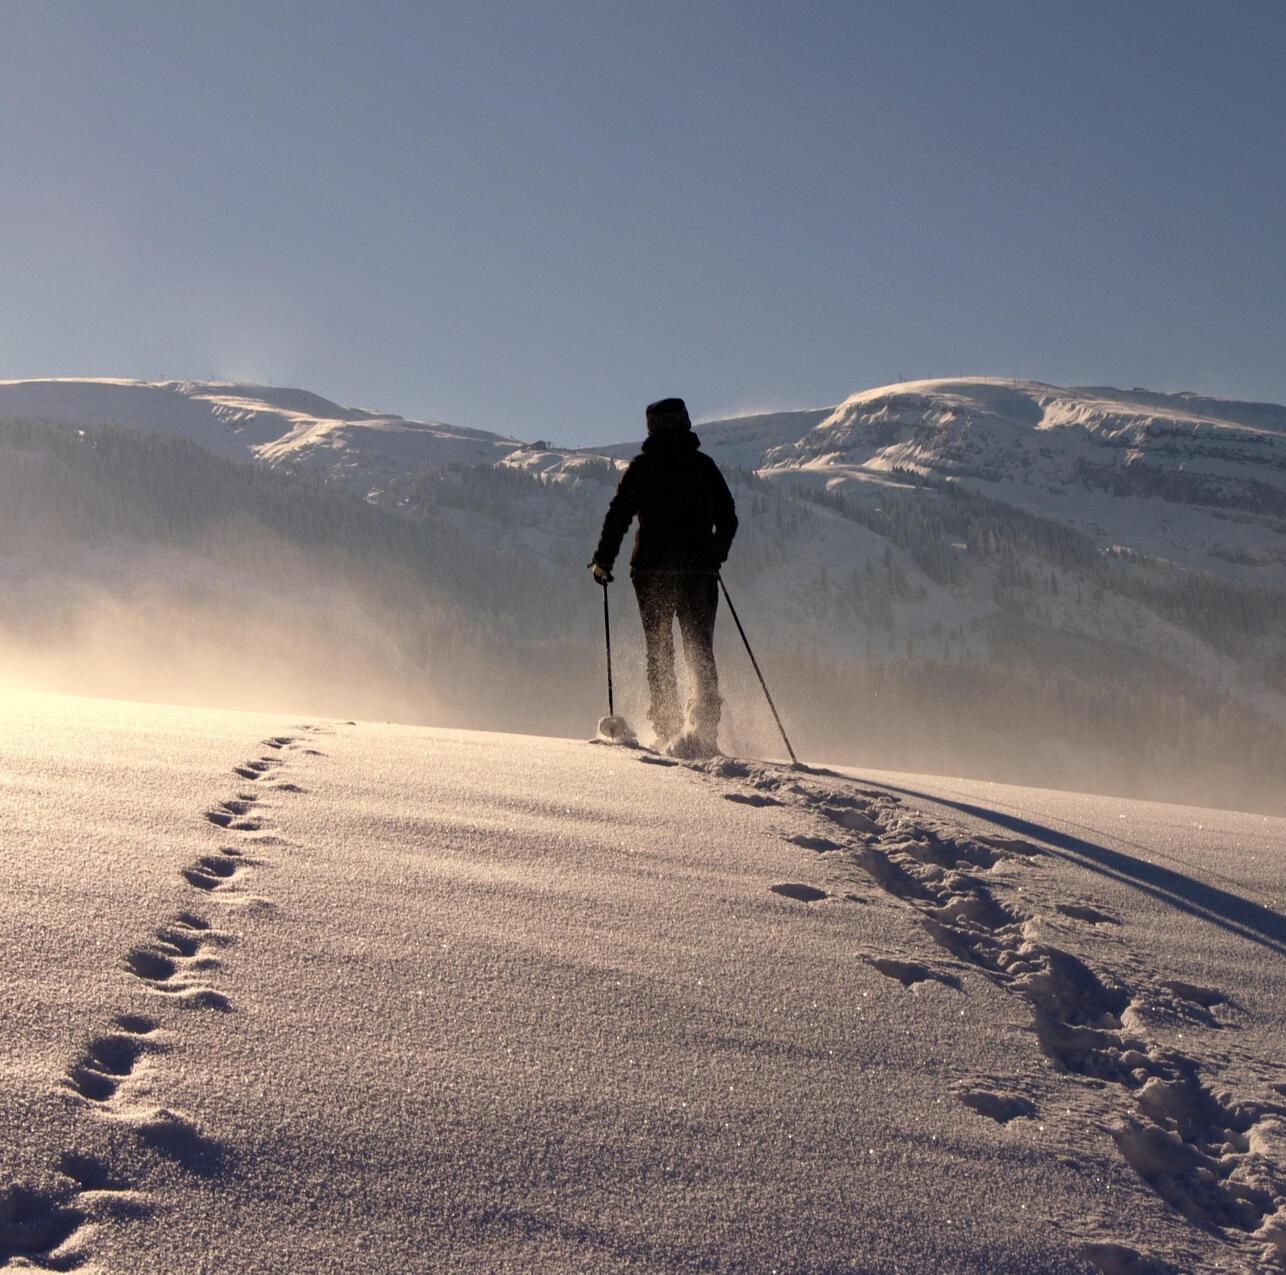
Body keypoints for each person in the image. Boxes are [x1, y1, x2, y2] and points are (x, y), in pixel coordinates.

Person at [589, 397, 738, 757]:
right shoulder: (703, 467)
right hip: (699, 573)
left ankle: (668, 728)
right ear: (685, 423)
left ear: (650, 428)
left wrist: (603, 561)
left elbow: (619, 515)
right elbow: (729, 518)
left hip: (651, 572)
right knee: (699, 648)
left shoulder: (642, 468)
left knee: (659, 650)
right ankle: (704, 732)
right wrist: (714, 555)